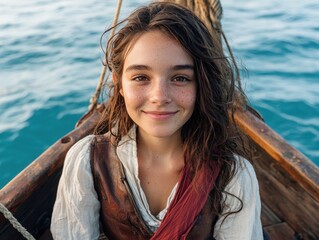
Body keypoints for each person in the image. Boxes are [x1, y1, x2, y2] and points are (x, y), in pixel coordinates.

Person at [51, 2, 263, 239]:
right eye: (141, 77)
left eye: (180, 78)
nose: (160, 97)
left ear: (201, 84)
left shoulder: (233, 175)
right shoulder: (87, 161)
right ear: (119, 83)